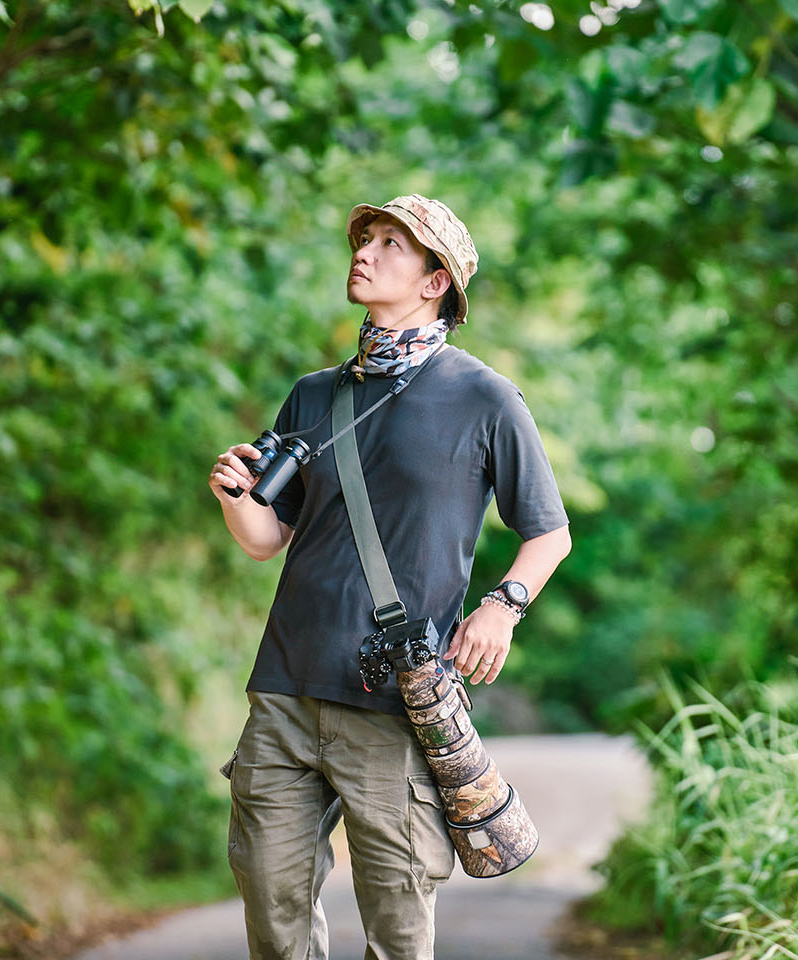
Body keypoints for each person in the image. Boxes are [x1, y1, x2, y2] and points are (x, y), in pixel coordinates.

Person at [206, 194, 572, 960]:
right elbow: (268, 539)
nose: (364, 252)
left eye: (390, 244)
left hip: (392, 703)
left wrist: (502, 608)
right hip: (285, 688)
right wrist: (234, 500)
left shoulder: (485, 398)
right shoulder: (315, 394)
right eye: (364, 238)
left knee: (398, 930)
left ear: (436, 280)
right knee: (271, 905)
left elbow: (550, 533)